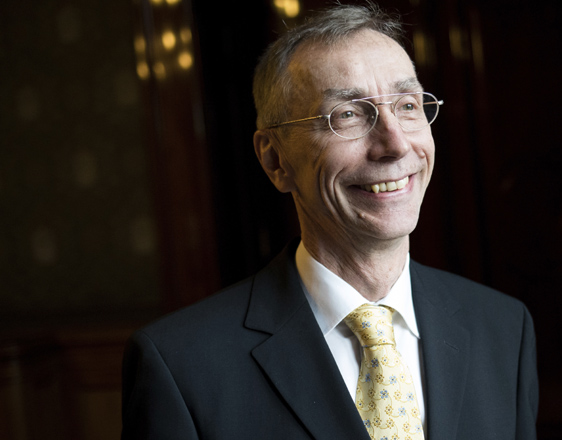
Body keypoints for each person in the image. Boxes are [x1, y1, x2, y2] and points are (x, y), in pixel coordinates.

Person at [121, 4, 538, 440]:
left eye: (408, 105)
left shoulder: (503, 329)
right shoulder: (181, 364)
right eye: (349, 115)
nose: (395, 145)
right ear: (275, 159)